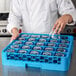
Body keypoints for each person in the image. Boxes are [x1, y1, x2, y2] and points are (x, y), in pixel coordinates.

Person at [7, 0, 76, 42]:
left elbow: (70, 11)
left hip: (51, 41)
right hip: (27, 42)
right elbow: (14, 15)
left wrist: (66, 17)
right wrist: (14, 30)